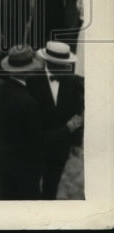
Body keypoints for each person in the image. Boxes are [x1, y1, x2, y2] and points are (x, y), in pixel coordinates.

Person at [29, 41, 84, 200]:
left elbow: (76, 112)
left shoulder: (72, 83)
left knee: (51, 188)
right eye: (59, 65)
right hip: (37, 147)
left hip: (60, 150)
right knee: (31, 187)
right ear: (48, 62)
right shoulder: (32, 82)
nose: (62, 69)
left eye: (65, 64)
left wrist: (75, 141)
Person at [0, 45, 45, 200]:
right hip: (25, 168)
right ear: (27, 72)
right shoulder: (28, 103)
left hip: (4, 160)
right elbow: (35, 142)